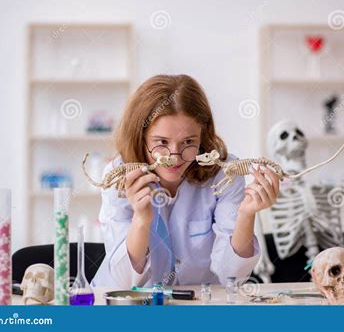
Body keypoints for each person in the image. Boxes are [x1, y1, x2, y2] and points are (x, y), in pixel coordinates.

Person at [91, 74, 280, 288]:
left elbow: (233, 278)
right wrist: (142, 220)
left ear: (203, 136)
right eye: (162, 142)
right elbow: (124, 281)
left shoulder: (224, 174)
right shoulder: (119, 175)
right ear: (140, 136)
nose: (176, 155)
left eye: (188, 142)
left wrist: (246, 214)